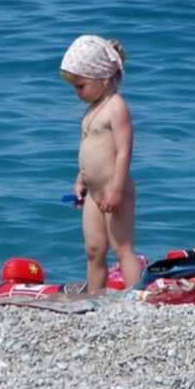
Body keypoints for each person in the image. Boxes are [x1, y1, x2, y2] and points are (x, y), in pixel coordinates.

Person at [60, 34, 142, 292]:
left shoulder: (116, 107)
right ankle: (94, 295)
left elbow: (123, 151)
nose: (77, 93)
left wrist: (116, 189)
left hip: (114, 189)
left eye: (81, 86)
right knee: (94, 249)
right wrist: (81, 179)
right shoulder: (92, 109)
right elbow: (90, 149)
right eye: (74, 87)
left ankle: (136, 296)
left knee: (121, 247)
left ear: (104, 78)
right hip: (94, 193)